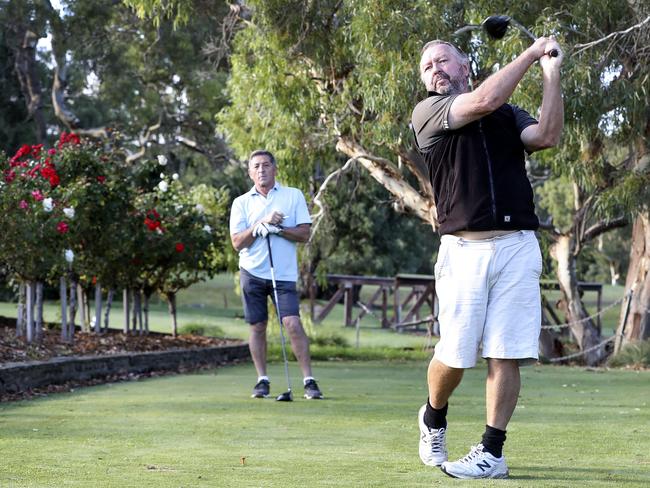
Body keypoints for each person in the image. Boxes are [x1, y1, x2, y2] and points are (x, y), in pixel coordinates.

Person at [411, 37, 563, 479]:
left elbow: (547, 135)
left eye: (442, 60)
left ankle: (492, 452)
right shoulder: (428, 113)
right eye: (426, 67)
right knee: (455, 356)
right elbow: (483, 99)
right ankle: (434, 415)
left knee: (507, 352)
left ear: (465, 63)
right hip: (463, 250)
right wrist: (533, 54)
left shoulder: (508, 114)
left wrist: (552, 73)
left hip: (516, 245)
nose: (434, 69)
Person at [229, 149, 323, 400]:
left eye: (266, 165)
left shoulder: (292, 196)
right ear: (250, 172)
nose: (261, 170)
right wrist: (259, 225)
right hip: (252, 272)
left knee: (292, 323)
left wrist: (278, 228)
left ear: (275, 169)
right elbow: (237, 243)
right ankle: (262, 380)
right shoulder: (241, 202)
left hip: (283, 274)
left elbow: (304, 234)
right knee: (257, 326)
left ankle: (309, 380)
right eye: (256, 166)